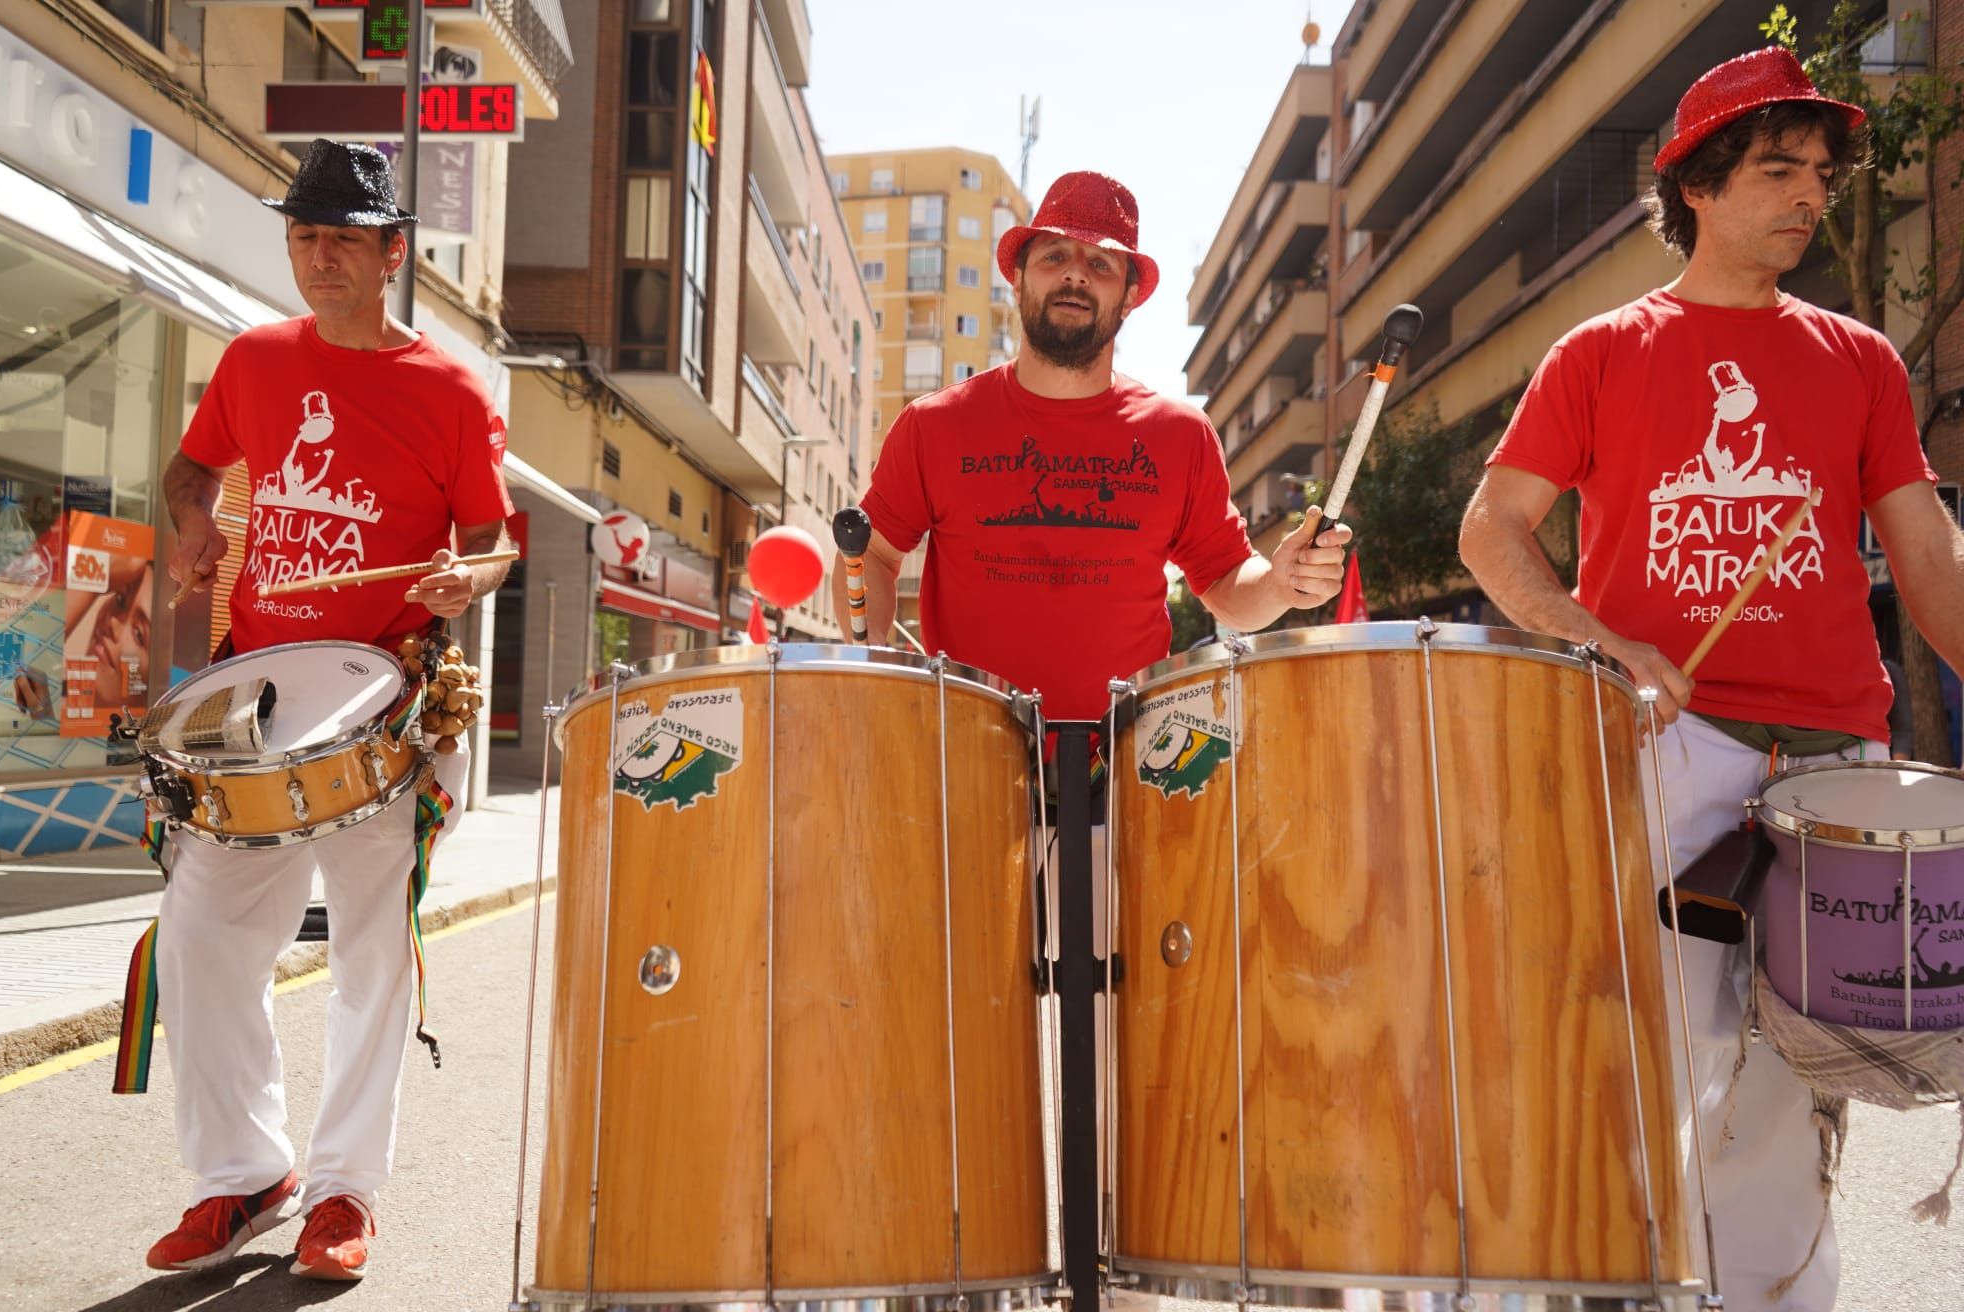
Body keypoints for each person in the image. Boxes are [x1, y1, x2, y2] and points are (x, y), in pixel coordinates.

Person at [1459, 49, 1964, 1311]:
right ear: (1697, 186)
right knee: (1634, 1061)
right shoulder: (1601, 352)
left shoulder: (1860, 361)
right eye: (1778, 169)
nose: (1810, 193)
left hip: (1835, 764)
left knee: (1795, 1078)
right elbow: (1492, 528)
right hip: (1667, 746)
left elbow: (1928, 554)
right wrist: (1594, 635)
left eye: (1821, 171)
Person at [143, 139, 515, 1282]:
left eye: (342, 240)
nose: (317, 258)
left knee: (370, 952)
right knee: (203, 939)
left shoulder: (452, 390)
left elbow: (500, 538)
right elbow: (190, 471)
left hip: (384, 707)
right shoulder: (255, 359)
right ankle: (242, 1174)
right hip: (254, 694)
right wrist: (194, 523)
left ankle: (345, 1188)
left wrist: (471, 578)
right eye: (304, 236)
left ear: (393, 252)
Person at [833, 170, 1351, 716]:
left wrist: (1279, 581)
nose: (1075, 275)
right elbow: (874, 553)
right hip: (968, 758)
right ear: (1018, 279)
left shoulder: (1181, 436)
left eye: (1101, 264)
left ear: (1128, 297)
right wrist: (871, 652)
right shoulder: (933, 425)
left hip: (1129, 762)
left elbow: (1224, 579)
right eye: (1054, 256)